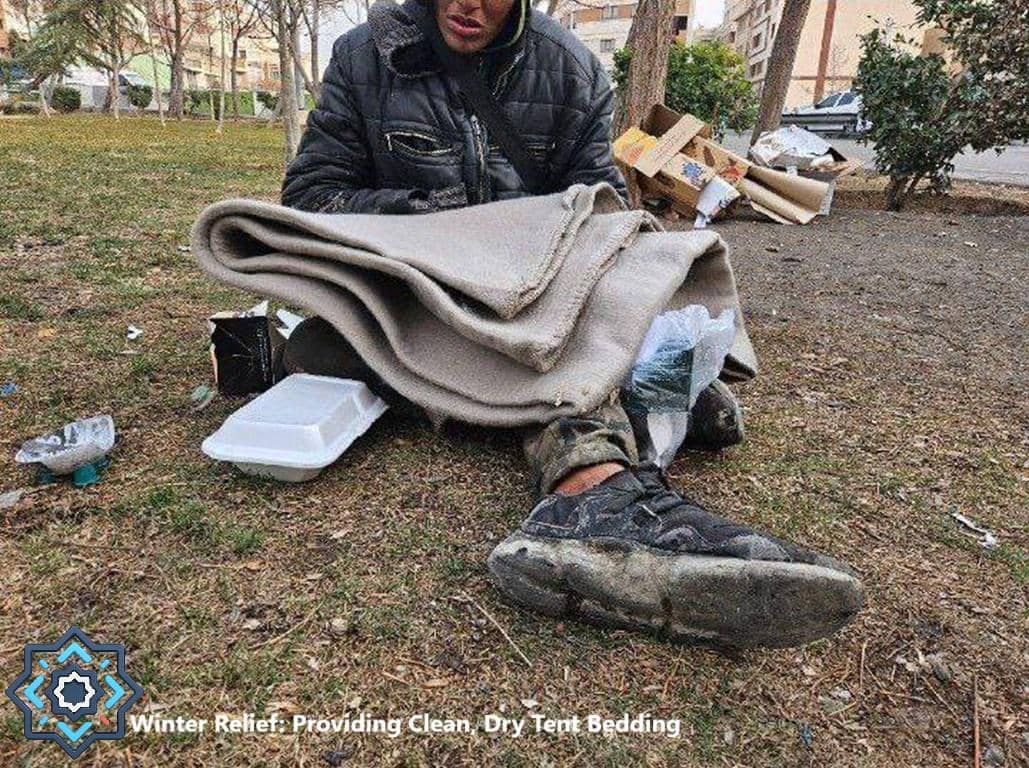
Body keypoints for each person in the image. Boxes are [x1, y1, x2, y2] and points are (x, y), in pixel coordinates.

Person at [280, 0, 863, 648]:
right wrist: (443, 217)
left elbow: (602, 216)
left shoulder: (573, 72)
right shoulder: (365, 58)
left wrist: (538, 250)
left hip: (538, 284)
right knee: (538, 350)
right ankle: (592, 491)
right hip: (415, 294)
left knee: (630, 280)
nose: (468, 5)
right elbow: (312, 198)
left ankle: (652, 391)